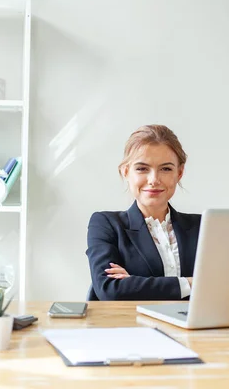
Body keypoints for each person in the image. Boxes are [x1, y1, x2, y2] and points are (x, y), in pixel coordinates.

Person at [86, 125, 201, 300]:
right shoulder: (106, 224)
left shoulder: (203, 227)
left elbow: (224, 285)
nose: (154, 180)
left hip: (192, 326)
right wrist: (191, 283)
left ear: (179, 173)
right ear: (126, 172)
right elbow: (110, 290)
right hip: (132, 326)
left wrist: (133, 282)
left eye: (166, 169)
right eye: (142, 168)